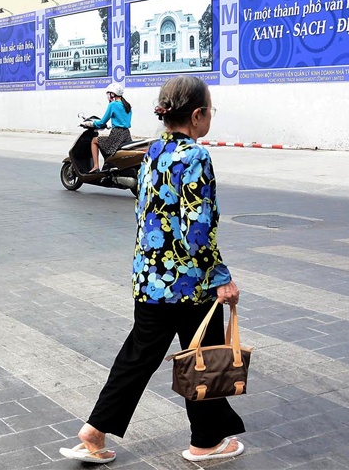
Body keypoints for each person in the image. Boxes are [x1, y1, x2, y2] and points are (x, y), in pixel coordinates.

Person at [60, 75, 244, 465]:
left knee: (138, 359)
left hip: (150, 280)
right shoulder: (195, 156)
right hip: (188, 283)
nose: (210, 117)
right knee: (205, 354)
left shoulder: (153, 150)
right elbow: (198, 229)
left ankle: (94, 431)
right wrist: (222, 277)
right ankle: (207, 441)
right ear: (197, 116)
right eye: (209, 111)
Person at [88, 82, 132, 173]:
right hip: (126, 134)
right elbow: (122, 120)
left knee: (94, 141)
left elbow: (102, 122)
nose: (108, 96)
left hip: (117, 134)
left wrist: (92, 124)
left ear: (113, 94)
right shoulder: (127, 105)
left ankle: (96, 166)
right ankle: (109, 164)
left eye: (109, 93)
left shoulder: (113, 105)